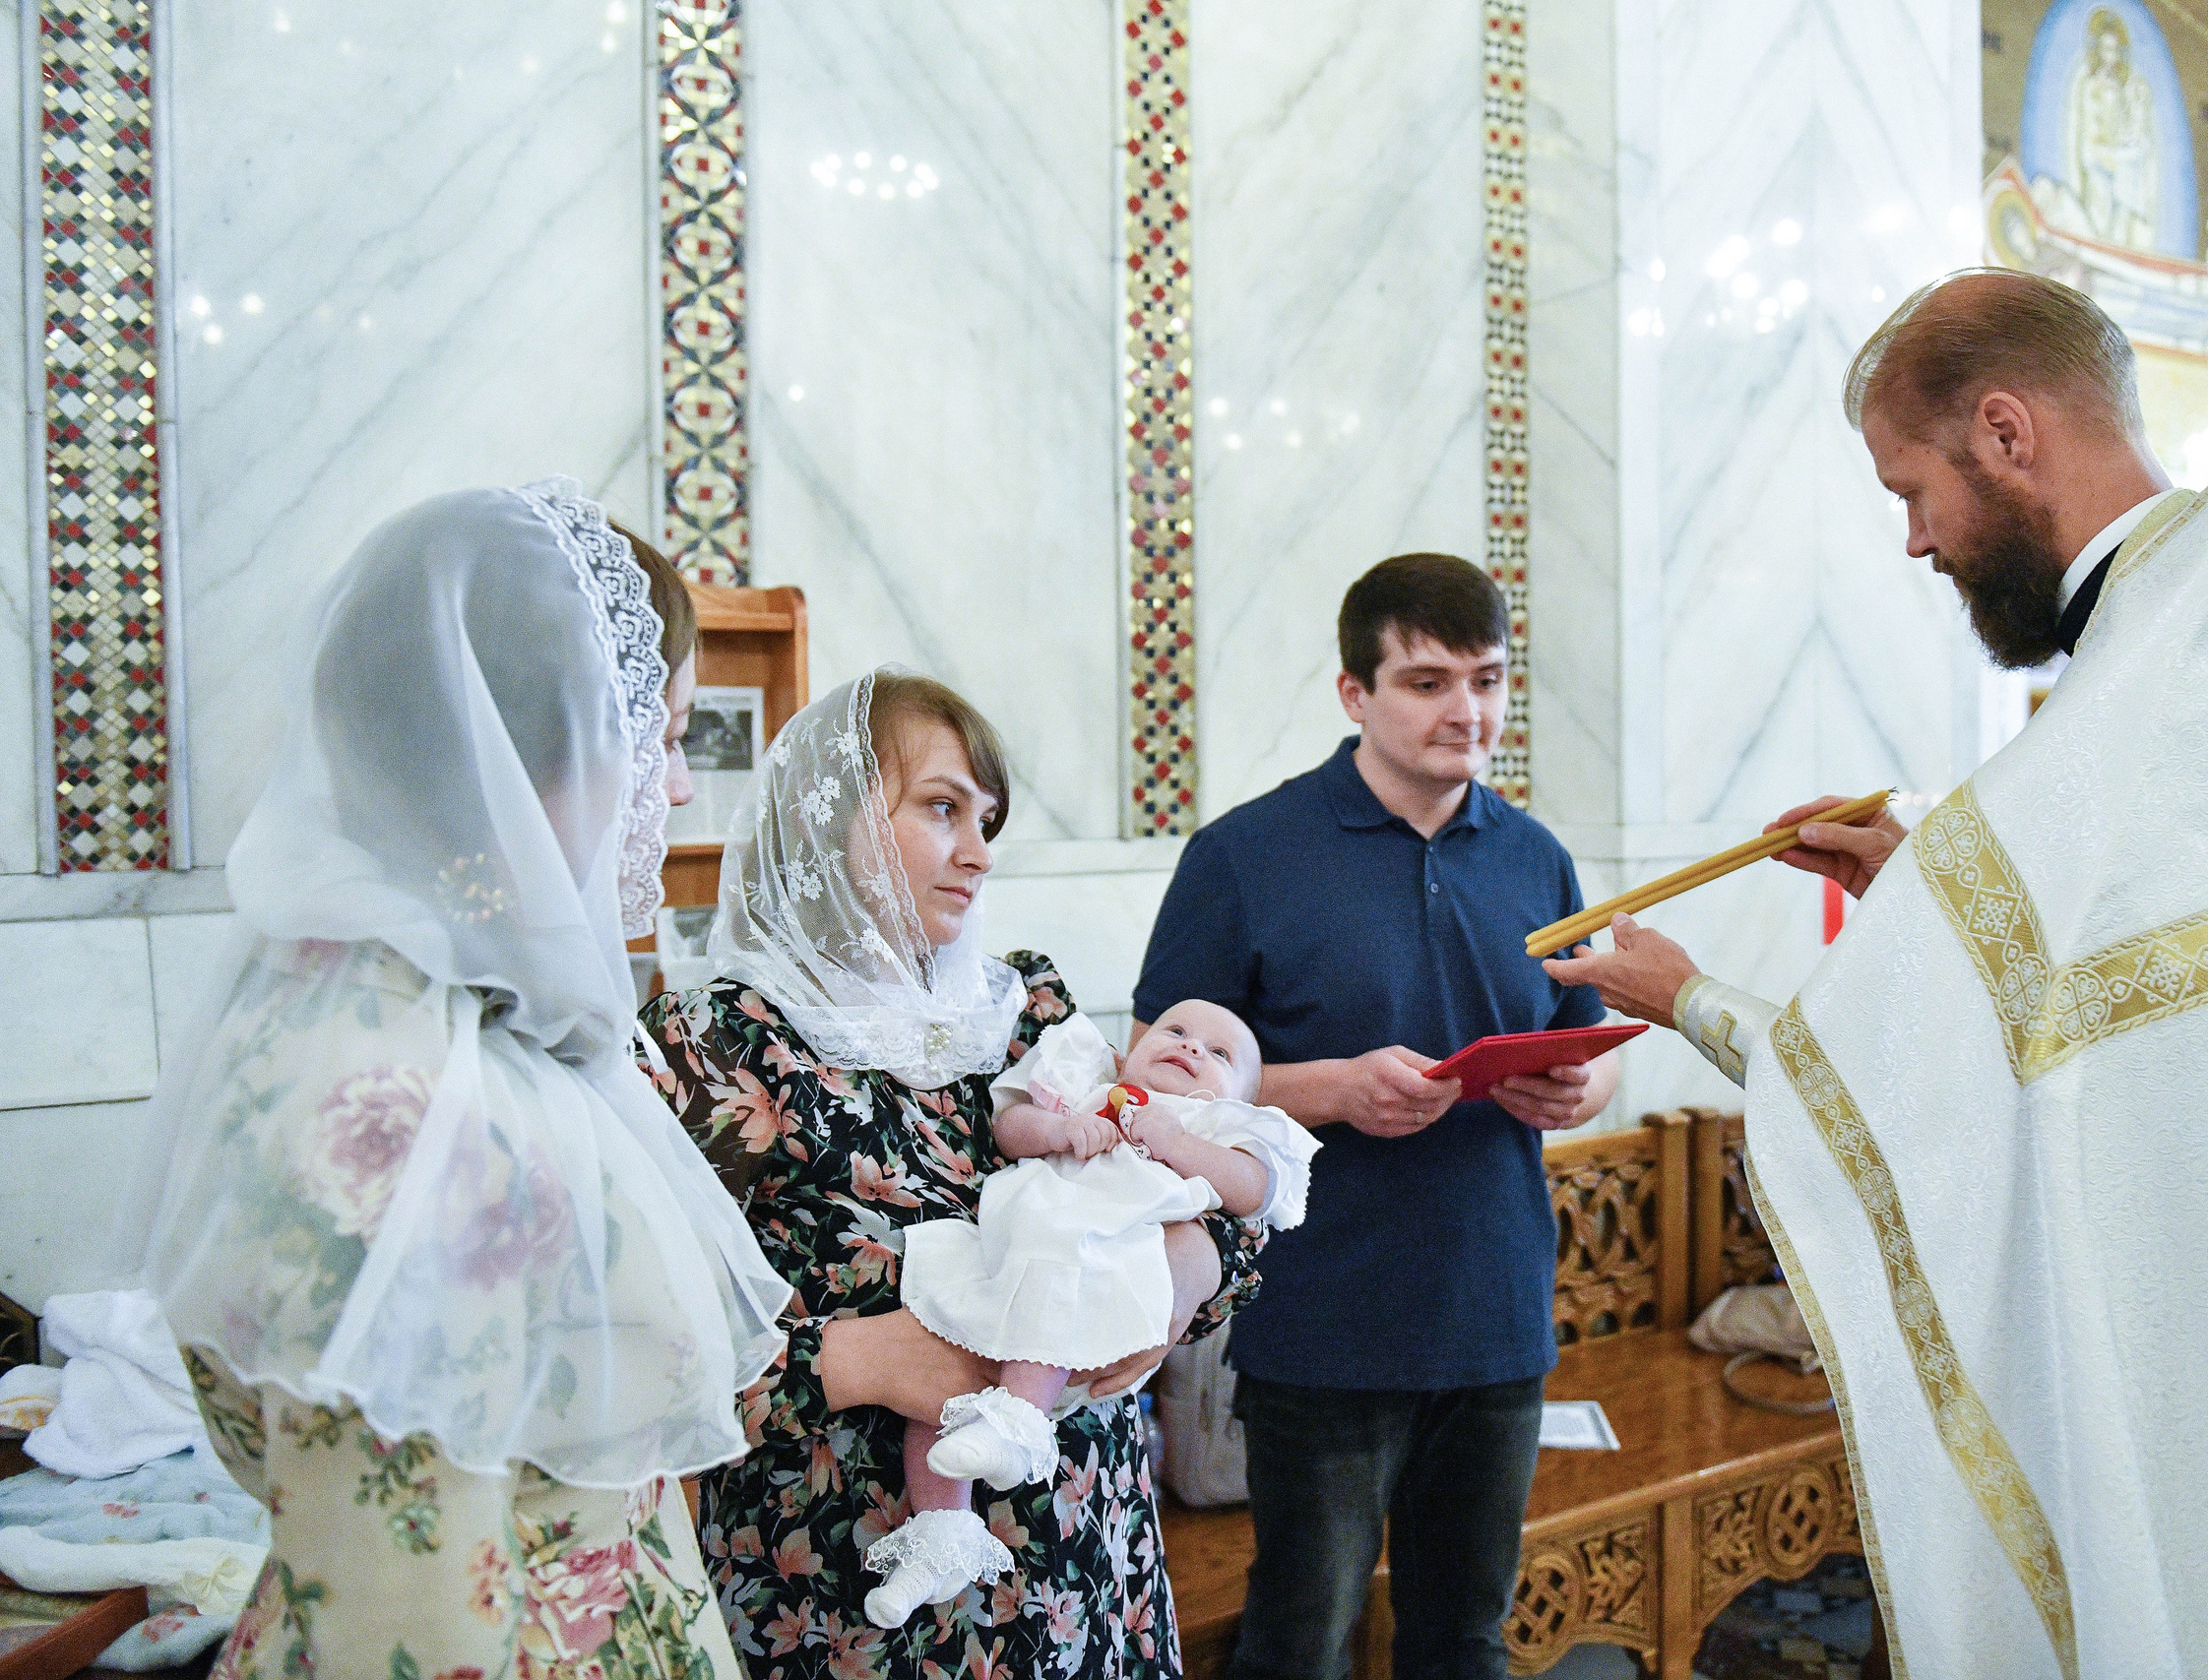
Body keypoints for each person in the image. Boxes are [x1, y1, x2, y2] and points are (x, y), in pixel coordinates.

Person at [1548, 270, 2208, 1677]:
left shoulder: (2159, 684)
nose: (1915, 542)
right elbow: (2114, 1007)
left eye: (1915, 490)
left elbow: (1944, 1084)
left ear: (2008, 432)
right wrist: (1924, 883)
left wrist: (1689, 998)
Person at [127, 482, 792, 1676]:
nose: (678, 791)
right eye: (666, 739)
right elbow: (409, 1612)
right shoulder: (396, 1111)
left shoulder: (458, 1014)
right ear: (546, 746)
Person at [640, 668, 1265, 1677]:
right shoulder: (716, 1047)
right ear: (828, 820)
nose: (978, 853)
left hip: (1075, 1562)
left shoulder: (1028, 1012)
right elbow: (639, 1339)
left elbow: (1199, 1161)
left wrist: (1191, 1264)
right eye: (941, 809)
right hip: (852, 1593)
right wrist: (856, 1360)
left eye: (988, 819)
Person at [1132, 553, 1618, 1680]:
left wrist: (1579, 1088)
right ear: (1355, 693)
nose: (1469, 712)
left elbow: (1593, 1056)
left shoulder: (1536, 858)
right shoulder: (1245, 856)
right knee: (1302, 1637)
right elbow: (1156, 1089)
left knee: (1465, 1638)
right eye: (1429, 681)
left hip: (1495, 1311)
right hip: (1326, 1316)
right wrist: (1331, 1089)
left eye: (1489, 680)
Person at [868, 1002, 1318, 1627]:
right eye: (1177, 1031)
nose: (1191, 1049)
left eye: (1220, 1055)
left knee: (1022, 1336)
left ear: (1242, 1096)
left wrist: (1177, 1141)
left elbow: (1253, 1192)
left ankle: (1019, 1419)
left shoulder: (1222, 1125)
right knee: (937, 1373)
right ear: (1129, 1051)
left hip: (1097, 1259)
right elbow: (1010, 1125)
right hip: (1013, 1247)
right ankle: (942, 1529)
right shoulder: (1091, 1080)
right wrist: (1057, 1130)